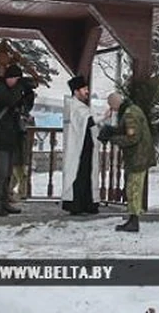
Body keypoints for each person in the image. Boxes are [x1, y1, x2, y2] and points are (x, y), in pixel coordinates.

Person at [101, 92, 156, 232]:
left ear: (115, 104)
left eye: (112, 107)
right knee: (132, 188)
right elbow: (125, 130)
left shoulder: (130, 114)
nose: (113, 111)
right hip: (138, 156)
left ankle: (134, 221)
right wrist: (112, 131)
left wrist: (113, 139)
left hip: (138, 157)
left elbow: (133, 138)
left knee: (133, 189)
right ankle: (132, 219)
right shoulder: (131, 110)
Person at [0, 64, 31, 216]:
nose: (16, 82)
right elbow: (11, 101)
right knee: (0, 171)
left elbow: (24, 106)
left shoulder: (14, 90)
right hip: (0, 137)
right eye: (15, 79)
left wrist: (28, 93)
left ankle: (4, 202)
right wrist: (20, 88)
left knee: (8, 173)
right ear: (8, 77)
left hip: (11, 137)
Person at [61, 75, 100, 216]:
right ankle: (77, 204)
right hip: (79, 148)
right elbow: (88, 122)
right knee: (79, 174)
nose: (87, 92)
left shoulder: (78, 106)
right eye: (84, 89)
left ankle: (87, 203)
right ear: (76, 91)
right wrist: (104, 116)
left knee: (86, 174)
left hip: (85, 146)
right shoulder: (74, 106)